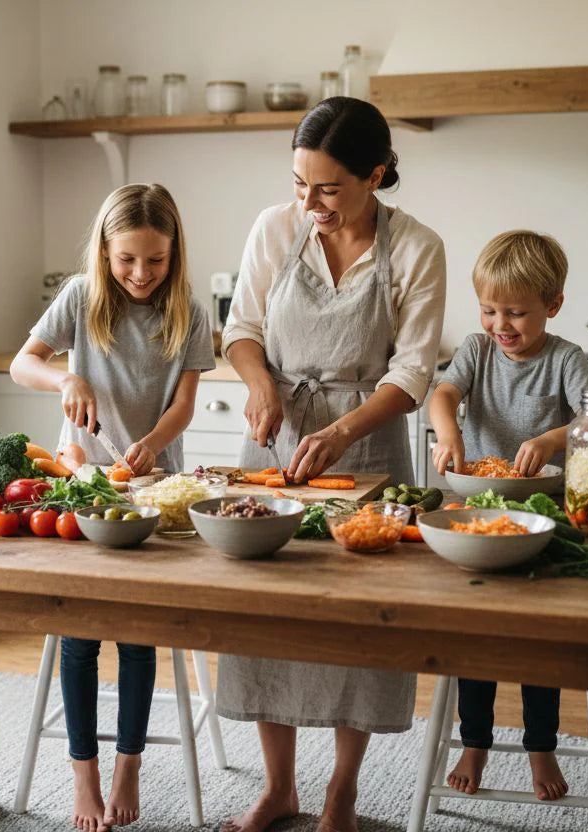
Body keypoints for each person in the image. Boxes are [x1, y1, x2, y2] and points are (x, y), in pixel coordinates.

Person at [217, 97, 447, 832]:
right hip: (274, 437)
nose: (309, 203)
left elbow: (412, 374)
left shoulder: (415, 248)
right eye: (297, 183)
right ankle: (278, 787)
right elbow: (243, 329)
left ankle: (341, 791)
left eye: (327, 188)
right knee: (263, 612)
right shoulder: (275, 228)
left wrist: (344, 430)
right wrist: (259, 387)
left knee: (360, 623)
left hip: (369, 445)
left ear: (376, 175)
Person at [10, 183, 216, 832]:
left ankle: (128, 765)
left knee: (136, 638)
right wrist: (64, 377)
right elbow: (24, 365)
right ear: (104, 250)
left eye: (154, 260)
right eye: (127, 259)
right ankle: (85, 775)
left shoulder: (188, 309)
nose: (140, 274)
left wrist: (156, 442)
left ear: (173, 252)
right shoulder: (81, 298)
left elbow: (182, 404)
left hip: (155, 492)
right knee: (78, 637)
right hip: (86, 487)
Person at [428, 229, 588, 801]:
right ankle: (474, 741)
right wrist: (447, 432)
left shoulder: (566, 359)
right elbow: (443, 396)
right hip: (477, 516)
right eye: (490, 309)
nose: (502, 325)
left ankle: (539, 745)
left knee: (536, 642)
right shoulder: (476, 350)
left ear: (553, 307)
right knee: (476, 639)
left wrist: (550, 441)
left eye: (517, 313)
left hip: (546, 519)